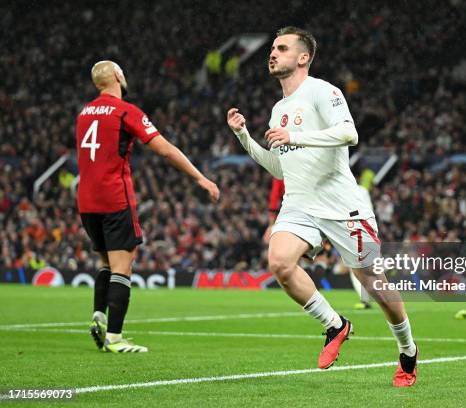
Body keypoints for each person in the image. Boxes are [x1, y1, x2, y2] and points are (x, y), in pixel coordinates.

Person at [227, 27, 417, 387]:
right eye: (272, 48)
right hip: (299, 202)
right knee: (280, 262)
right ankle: (335, 325)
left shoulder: (323, 91)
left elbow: (349, 134)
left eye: (281, 48)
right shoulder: (278, 109)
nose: (272, 53)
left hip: (341, 204)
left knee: (373, 283)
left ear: (302, 57)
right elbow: (280, 168)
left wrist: (295, 136)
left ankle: (407, 349)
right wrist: (244, 137)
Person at [77, 60, 219, 353]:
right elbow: (165, 149)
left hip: (86, 201)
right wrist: (201, 178)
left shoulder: (84, 113)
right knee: (123, 267)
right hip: (114, 197)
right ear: (118, 75)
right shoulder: (126, 111)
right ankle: (114, 338)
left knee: (106, 263)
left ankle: (99, 316)